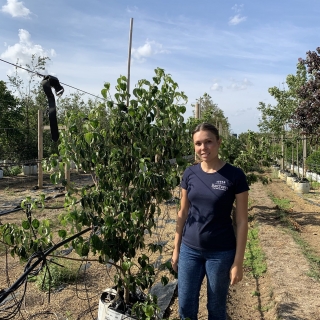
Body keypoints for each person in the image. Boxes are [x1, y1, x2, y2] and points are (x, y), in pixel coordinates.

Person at [171, 122, 249, 320]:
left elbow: (241, 221)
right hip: (189, 250)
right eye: (198, 143)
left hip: (221, 253)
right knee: (186, 308)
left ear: (219, 143)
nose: (203, 148)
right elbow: (183, 211)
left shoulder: (235, 175)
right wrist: (176, 248)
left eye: (208, 142)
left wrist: (238, 262)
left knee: (216, 308)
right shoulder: (190, 173)